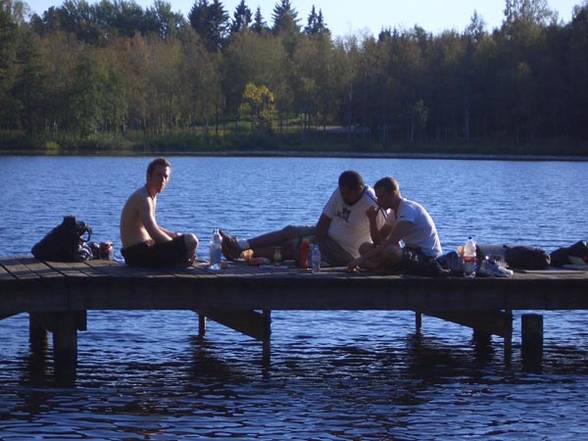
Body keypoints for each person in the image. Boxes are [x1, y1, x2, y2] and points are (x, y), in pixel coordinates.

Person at [220, 170, 387, 266]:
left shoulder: (372, 203)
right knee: (289, 231)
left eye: (347, 194)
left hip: (344, 252)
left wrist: (308, 246)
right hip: (325, 235)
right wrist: (315, 242)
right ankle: (241, 245)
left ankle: (242, 255)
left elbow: (380, 240)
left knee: (292, 247)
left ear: (358, 189)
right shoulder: (340, 192)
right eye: (341, 192)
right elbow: (324, 220)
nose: (343, 197)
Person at [347, 176, 444, 275]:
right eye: (377, 197)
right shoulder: (393, 213)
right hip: (410, 252)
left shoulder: (408, 210)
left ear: (392, 194)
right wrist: (372, 220)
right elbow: (378, 241)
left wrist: (361, 259)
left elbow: (390, 242)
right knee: (364, 247)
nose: (378, 201)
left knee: (390, 251)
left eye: (381, 197)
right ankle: (381, 267)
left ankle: (379, 267)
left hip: (427, 257)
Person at [120, 158, 198, 268]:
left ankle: (181, 261)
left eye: (165, 176)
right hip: (138, 255)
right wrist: (174, 246)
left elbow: (153, 226)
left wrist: (173, 235)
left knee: (182, 238)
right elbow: (153, 231)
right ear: (148, 176)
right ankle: (182, 262)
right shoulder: (143, 198)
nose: (162, 180)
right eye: (158, 175)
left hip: (140, 253)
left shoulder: (151, 196)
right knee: (191, 240)